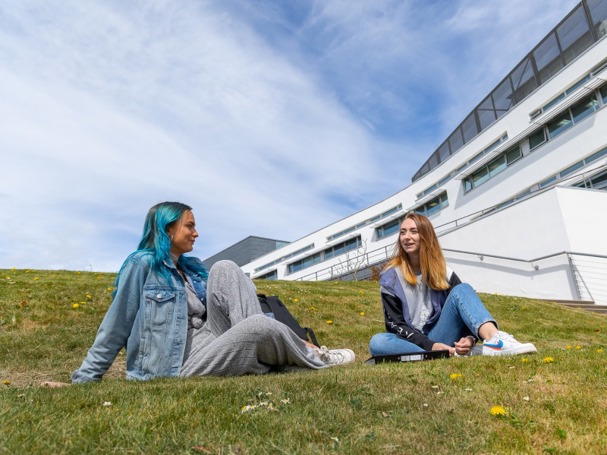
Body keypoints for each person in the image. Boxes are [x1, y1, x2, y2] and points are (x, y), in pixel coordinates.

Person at [46, 202, 354, 387]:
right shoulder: (141, 265)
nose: (196, 233)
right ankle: (314, 358)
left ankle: (281, 354)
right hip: (176, 367)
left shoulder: (192, 270)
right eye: (189, 226)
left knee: (226, 267)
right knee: (257, 328)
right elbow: (115, 327)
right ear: (167, 230)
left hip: (210, 343)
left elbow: (229, 304)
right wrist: (84, 381)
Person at [369, 212, 537, 358]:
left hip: (440, 336)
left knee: (462, 290)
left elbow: (464, 313)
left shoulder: (444, 273)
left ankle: (495, 340)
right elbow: (395, 324)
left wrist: (469, 339)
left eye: (414, 231)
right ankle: (435, 355)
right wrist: (430, 346)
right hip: (411, 342)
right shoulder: (390, 277)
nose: (407, 237)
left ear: (426, 236)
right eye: (403, 232)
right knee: (378, 342)